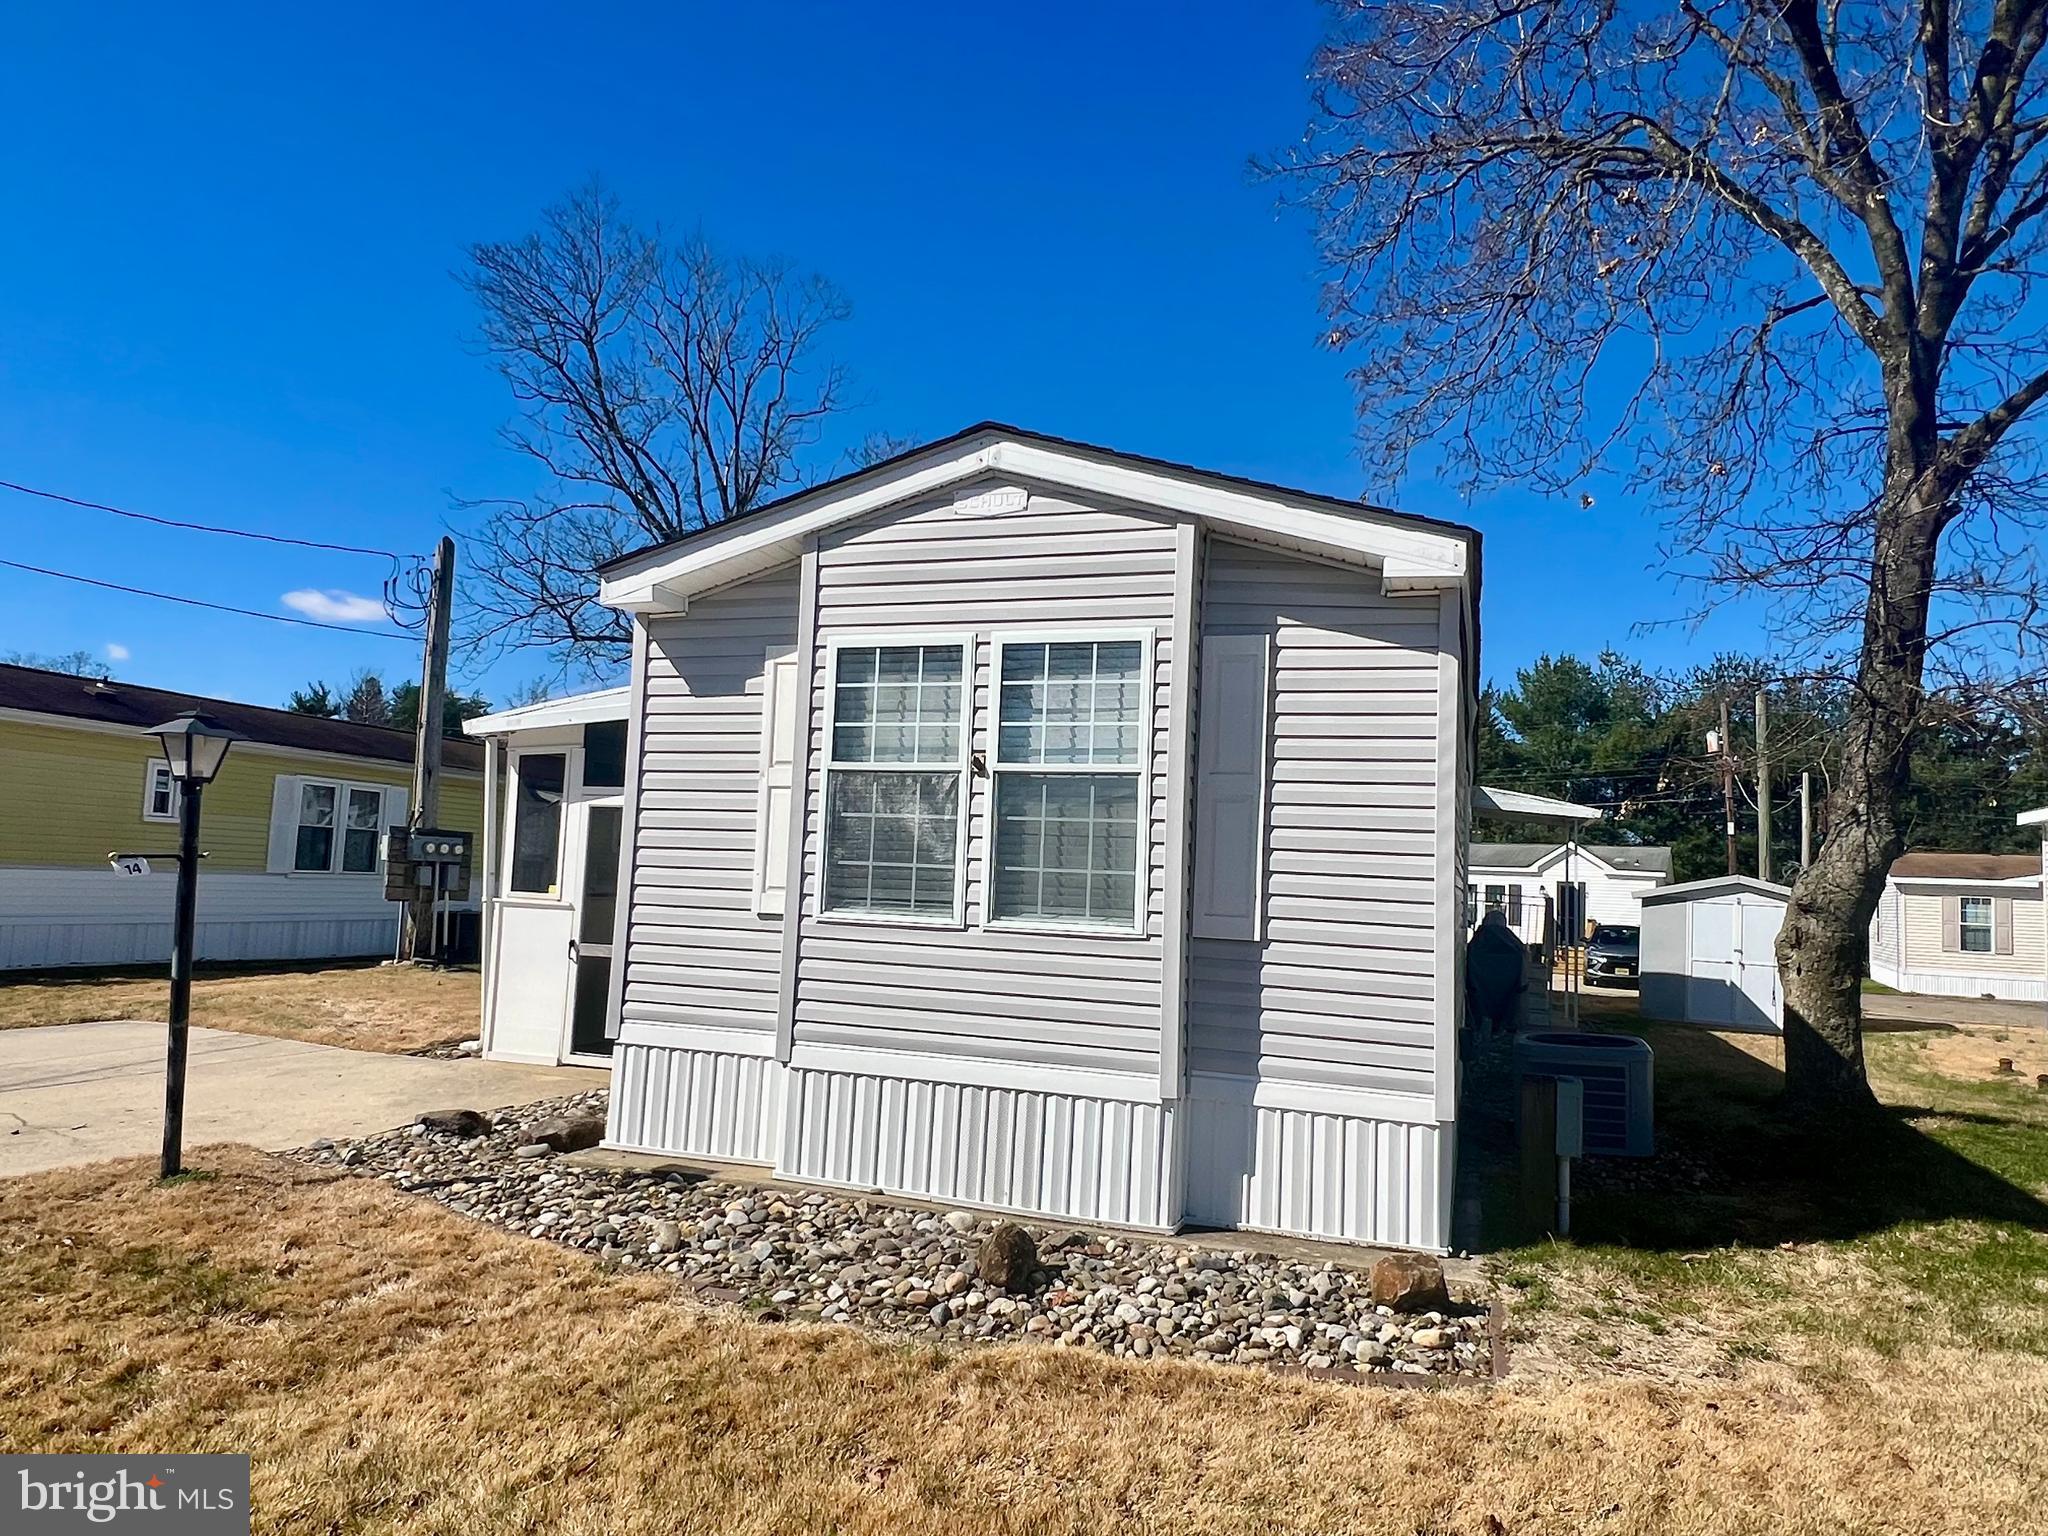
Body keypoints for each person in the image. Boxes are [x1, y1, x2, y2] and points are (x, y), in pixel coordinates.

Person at [1465, 908, 1527, 1036]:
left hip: (1479, 991)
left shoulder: (1479, 940)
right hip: (1507, 993)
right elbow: (1522, 960)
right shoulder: (1513, 943)